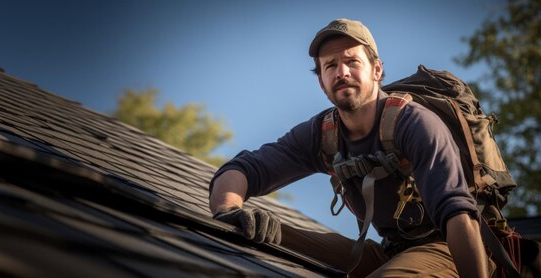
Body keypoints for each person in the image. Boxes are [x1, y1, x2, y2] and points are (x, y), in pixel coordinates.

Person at [208, 18, 495, 277]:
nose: (341, 72)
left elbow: (457, 213)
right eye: (330, 65)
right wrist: (228, 210)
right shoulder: (322, 135)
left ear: (377, 70)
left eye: (352, 62)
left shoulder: (415, 124)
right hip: (390, 252)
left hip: (450, 248)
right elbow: (245, 169)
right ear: (322, 82)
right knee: (263, 234)